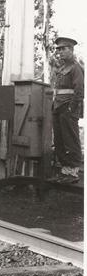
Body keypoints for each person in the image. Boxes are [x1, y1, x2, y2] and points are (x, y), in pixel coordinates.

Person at [52, 37, 84, 184]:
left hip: (68, 107)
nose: (60, 52)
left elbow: (79, 91)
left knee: (70, 139)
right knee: (59, 140)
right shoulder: (61, 68)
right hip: (58, 107)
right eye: (59, 49)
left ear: (71, 50)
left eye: (63, 49)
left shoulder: (76, 68)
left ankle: (73, 172)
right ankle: (65, 171)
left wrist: (71, 107)